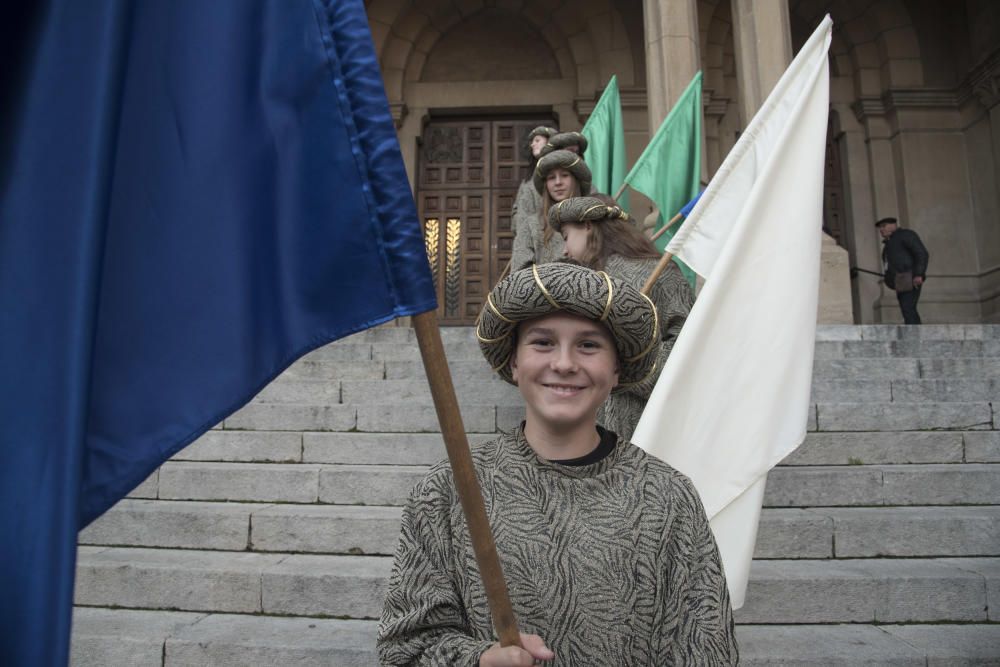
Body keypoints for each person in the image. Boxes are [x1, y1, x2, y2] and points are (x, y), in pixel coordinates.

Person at [377, 262, 739, 666]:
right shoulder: (449, 491)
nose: (565, 363)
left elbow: (706, 649)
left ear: (616, 369)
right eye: (543, 343)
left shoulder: (668, 495)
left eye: (588, 345)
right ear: (514, 362)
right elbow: (404, 649)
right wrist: (478, 659)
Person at [551, 195, 694, 441]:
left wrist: (626, 368)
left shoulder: (657, 271)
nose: (564, 249)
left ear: (588, 226)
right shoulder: (582, 282)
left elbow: (690, 341)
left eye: (566, 237)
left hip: (645, 423)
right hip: (589, 424)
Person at [509, 126, 558, 274]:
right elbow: (517, 211)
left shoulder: (562, 180)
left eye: (537, 140)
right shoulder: (527, 182)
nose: (532, 144)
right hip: (530, 243)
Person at [876, 216, 929, 324]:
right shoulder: (888, 244)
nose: (881, 230)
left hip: (910, 277)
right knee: (907, 309)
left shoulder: (905, 235)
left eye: (883, 226)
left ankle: (914, 336)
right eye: (880, 227)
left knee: (908, 308)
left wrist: (918, 274)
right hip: (900, 280)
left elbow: (921, 253)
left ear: (893, 225)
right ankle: (915, 334)